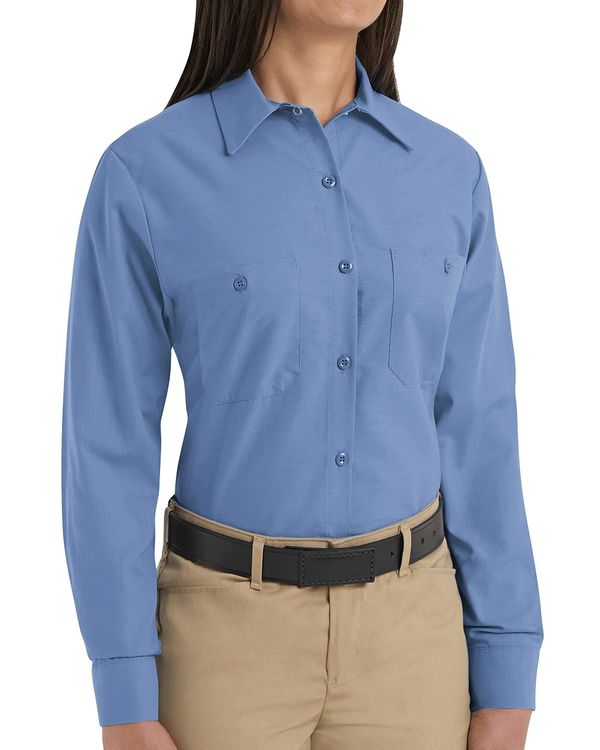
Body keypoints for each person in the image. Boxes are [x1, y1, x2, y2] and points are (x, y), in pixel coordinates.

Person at [61, 1, 543, 748]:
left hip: (415, 644)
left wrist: (509, 664)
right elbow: (107, 444)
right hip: (222, 643)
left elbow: (481, 428)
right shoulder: (146, 174)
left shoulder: (450, 174)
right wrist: (123, 692)